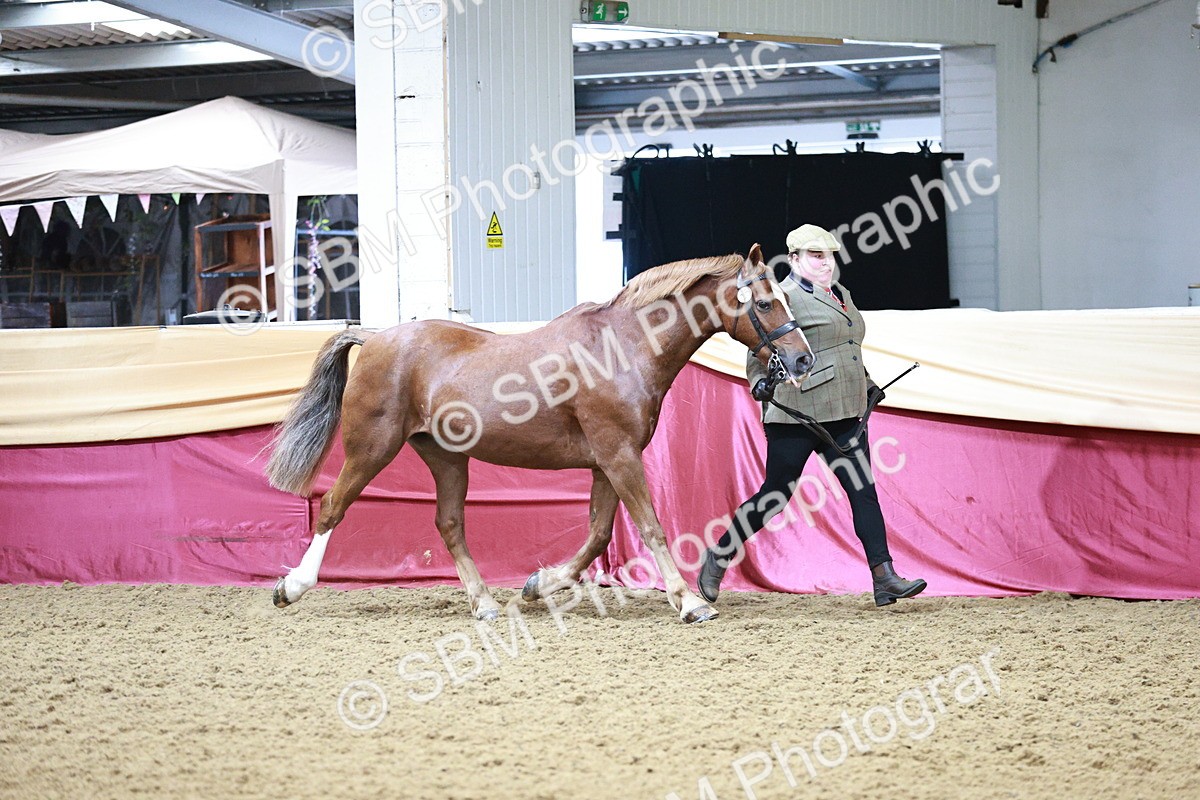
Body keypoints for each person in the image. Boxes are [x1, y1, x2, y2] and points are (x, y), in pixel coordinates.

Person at [697, 223, 926, 607]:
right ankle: (719, 556)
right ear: (794, 259)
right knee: (775, 496)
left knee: (863, 492)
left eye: (829, 255)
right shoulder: (783, 296)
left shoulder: (841, 294)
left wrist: (867, 383)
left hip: (845, 412)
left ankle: (884, 576)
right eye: (816, 256)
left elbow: (847, 348)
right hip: (799, 416)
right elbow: (758, 350)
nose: (826, 263)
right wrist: (759, 382)